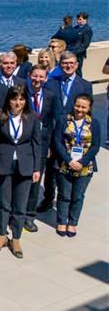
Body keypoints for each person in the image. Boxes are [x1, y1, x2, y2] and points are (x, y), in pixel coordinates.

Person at [0, 86, 41, 259]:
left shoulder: (32, 117)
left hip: (25, 165)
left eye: (21, 99)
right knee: (3, 203)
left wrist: (37, 168)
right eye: (14, 99)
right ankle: (2, 235)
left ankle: (16, 238)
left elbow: (37, 144)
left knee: (20, 205)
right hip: (3, 163)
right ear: (8, 100)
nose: (18, 103)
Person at [38, 52, 93, 212]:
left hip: (73, 135)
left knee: (70, 167)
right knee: (50, 169)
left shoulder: (85, 85)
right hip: (52, 133)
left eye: (71, 63)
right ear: (59, 65)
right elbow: (45, 110)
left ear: (76, 65)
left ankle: (67, 200)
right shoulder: (50, 83)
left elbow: (88, 113)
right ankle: (48, 199)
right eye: (65, 63)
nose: (68, 66)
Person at [54, 94, 101, 237]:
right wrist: (69, 160)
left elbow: (96, 146)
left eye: (83, 107)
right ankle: (62, 221)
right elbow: (57, 142)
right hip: (65, 164)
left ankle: (73, 223)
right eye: (77, 106)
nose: (79, 109)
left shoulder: (94, 123)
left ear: (89, 108)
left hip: (84, 167)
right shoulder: (64, 120)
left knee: (78, 196)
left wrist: (82, 162)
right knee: (64, 195)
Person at [23, 64, 60, 233]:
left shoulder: (50, 96)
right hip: (22, 143)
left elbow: (53, 122)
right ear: (29, 76)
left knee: (35, 180)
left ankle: (29, 216)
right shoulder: (21, 93)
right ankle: (15, 213)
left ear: (46, 78)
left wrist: (50, 145)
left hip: (42, 144)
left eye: (41, 77)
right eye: (34, 76)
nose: (37, 79)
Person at [74, 12, 93, 76]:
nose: (78, 21)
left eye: (80, 19)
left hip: (79, 54)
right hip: (72, 52)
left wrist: (76, 51)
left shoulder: (87, 29)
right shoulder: (75, 28)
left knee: (77, 71)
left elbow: (85, 44)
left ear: (85, 20)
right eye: (77, 19)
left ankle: (79, 82)